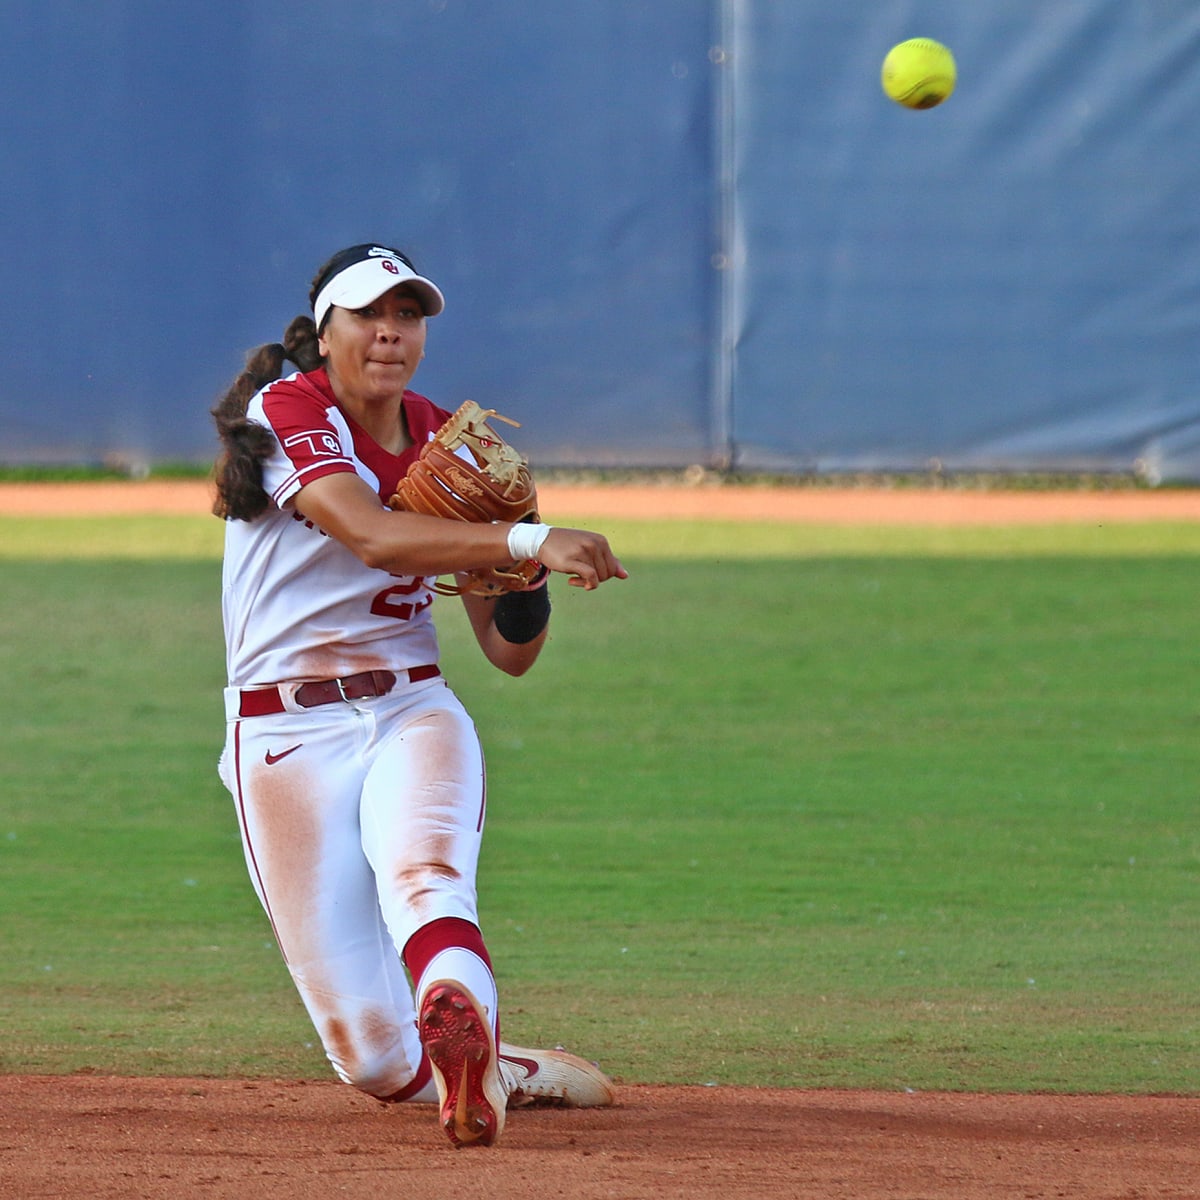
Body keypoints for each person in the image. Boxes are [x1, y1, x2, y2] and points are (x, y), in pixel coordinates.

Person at [211, 242, 627, 1148]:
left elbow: (509, 654)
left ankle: (458, 1020)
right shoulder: (288, 410)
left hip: (411, 711)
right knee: (373, 1062)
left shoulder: (454, 446)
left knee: (426, 883)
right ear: (326, 332)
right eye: (369, 315)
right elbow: (370, 535)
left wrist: (520, 560)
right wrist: (527, 541)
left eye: (408, 316)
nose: (390, 333)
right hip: (286, 740)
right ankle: (493, 1065)